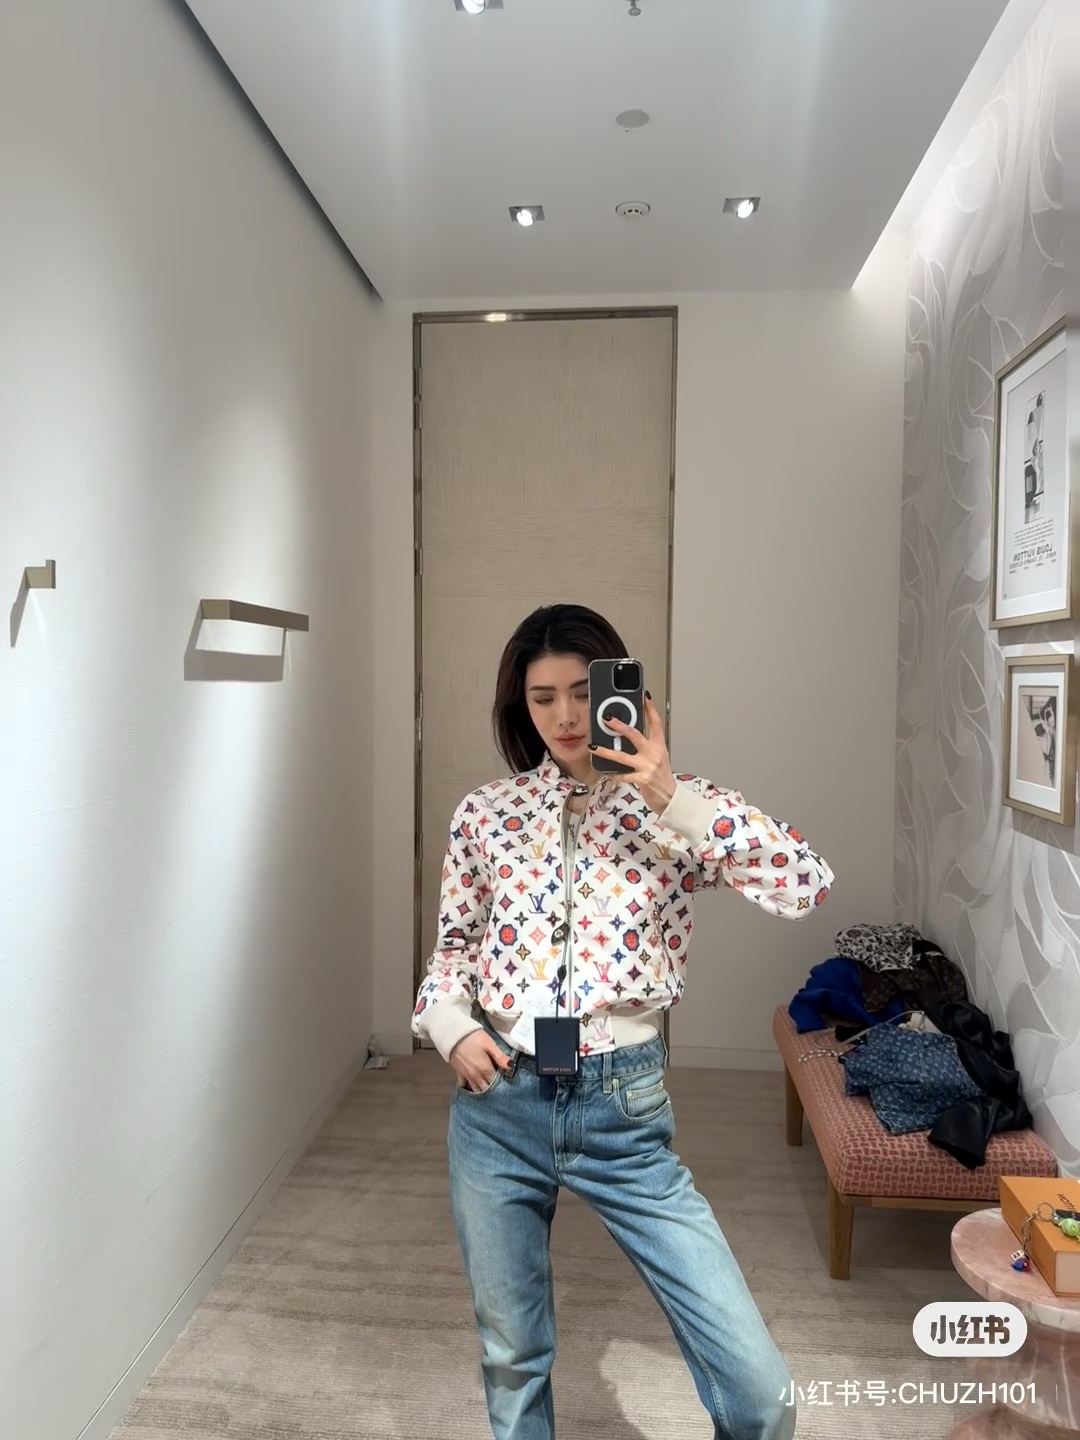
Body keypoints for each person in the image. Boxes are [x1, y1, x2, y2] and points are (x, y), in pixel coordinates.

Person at [412, 604, 834, 1440]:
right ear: (520, 706)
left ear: (625, 694)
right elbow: (452, 950)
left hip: (622, 1107)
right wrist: (451, 1025)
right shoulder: (485, 813)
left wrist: (667, 793)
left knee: (761, 1395)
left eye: (582, 691)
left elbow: (805, 883)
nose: (565, 716)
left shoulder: (673, 810)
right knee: (512, 1356)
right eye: (542, 698)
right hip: (499, 1107)